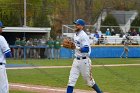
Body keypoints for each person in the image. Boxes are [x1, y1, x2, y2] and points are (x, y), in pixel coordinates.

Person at [66, 19, 102, 93]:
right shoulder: (76, 34)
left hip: (84, 61)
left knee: (89, 82)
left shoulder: (84, 35)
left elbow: (86, 49)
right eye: (75, 24)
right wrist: (73, 45)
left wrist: (76, 47)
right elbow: (77, 45)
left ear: (82, 26)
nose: (76, 26)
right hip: (76, 60)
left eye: (78, 24)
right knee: (71, 81)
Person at [0, 21, 12, 93]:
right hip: (0, 67)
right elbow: (8, 54)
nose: (2, 29)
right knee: (3, 89)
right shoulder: (1, 38)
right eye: (1, 27)